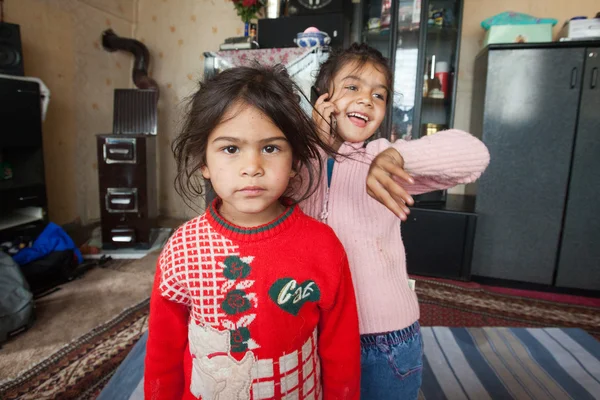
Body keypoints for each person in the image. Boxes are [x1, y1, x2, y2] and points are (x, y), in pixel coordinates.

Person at [144, 65, 361, 400]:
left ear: (294, 161)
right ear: (203, 160)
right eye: (230, 148)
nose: (252, 167)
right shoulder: (182, 250)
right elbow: (163, 353)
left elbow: (341, 350)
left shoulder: (323, 246)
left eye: (271, 148)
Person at [303, 43, 491, 399]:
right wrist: (314, 145)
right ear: (322, 98)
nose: (367, 99)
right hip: (313, 332)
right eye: (353, 87)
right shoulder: (297, 160)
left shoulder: (384, 159)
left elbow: (475, 155)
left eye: (379, 94)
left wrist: (396, 154)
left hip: (383, 340)